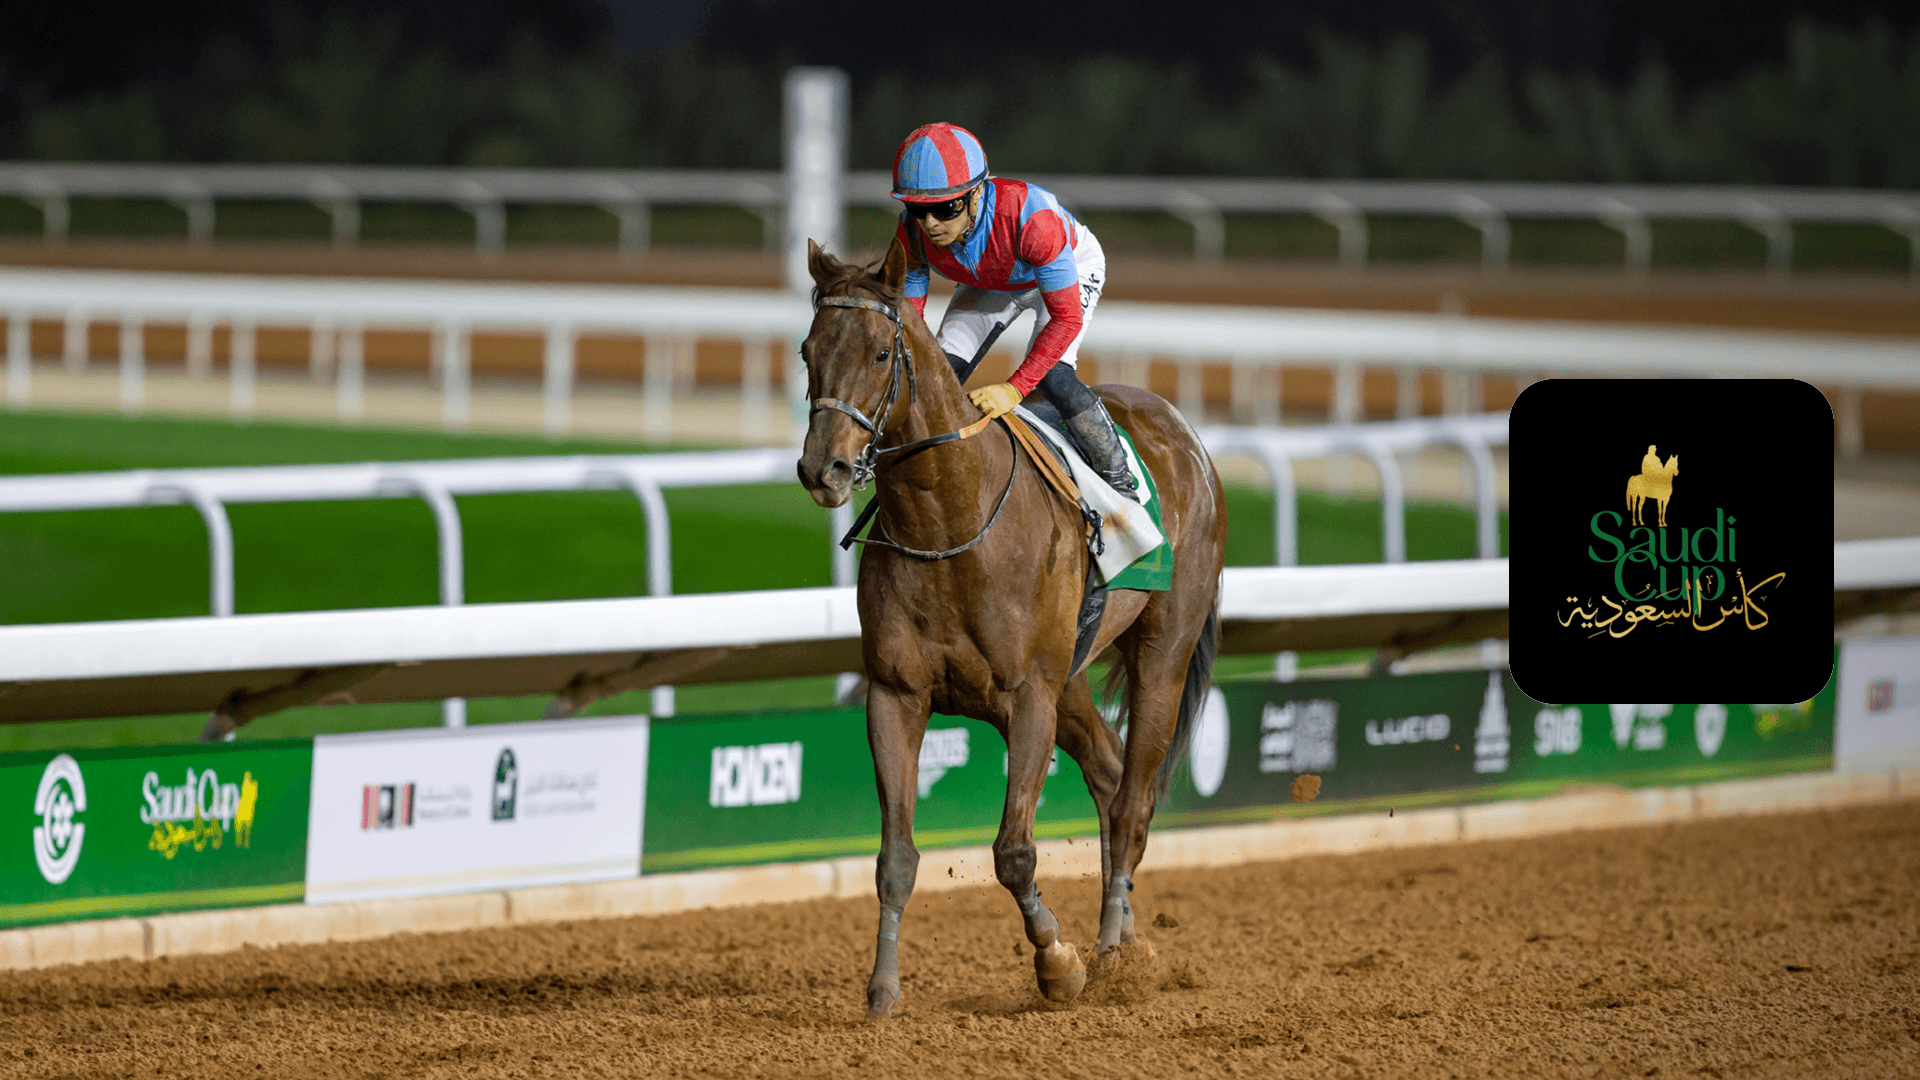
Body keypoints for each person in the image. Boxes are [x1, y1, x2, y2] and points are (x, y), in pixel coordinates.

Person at [889, 122, 1136, 497]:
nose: (930, 224)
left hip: (1067, 266)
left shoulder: (1032, 219)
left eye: (945, 208)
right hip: (993, 279)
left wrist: (1014, 389)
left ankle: (1120, 485)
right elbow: (910, 320)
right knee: (933, 379)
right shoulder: (912, 230)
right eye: (917, 210)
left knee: (1054, 378)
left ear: (976, 193)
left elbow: (1066, 318)